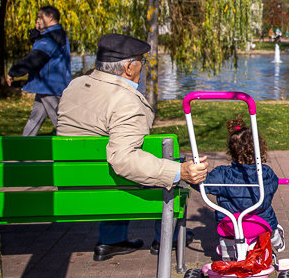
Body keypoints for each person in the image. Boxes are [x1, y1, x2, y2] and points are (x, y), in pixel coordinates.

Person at [57, 33, 209, 261]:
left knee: (110, 166)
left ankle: (111, 239)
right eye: (141, 61)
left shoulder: (75, 85)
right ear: (129, 67)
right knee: (169, 167)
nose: (142, 67)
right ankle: (166, 237)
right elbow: (124, 159)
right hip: (109, 188)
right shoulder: (125, 100)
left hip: (71, 184)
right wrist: (179, 172)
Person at [203, 115, 285, 252]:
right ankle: (276, 240)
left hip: (231, 225)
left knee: (226, 230)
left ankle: (228, 246)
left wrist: (192, 178)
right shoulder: (266, 173)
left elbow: (204, 184)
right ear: (260, 149)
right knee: (271, 223)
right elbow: (274, 184)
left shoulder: (222, 174)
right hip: (260, 223)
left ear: (231, 151)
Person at [7, 5, 71, 136]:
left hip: (50, 87)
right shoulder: (54, 35)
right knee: (35, 119)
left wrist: (14, 71)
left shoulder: (52, 37)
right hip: (46, 86)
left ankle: (70, 152)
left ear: (50, 17)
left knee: (61, 123)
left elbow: (36, 58)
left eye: (40, 17)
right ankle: (24, 149)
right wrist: (37, 36)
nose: (37, 20)